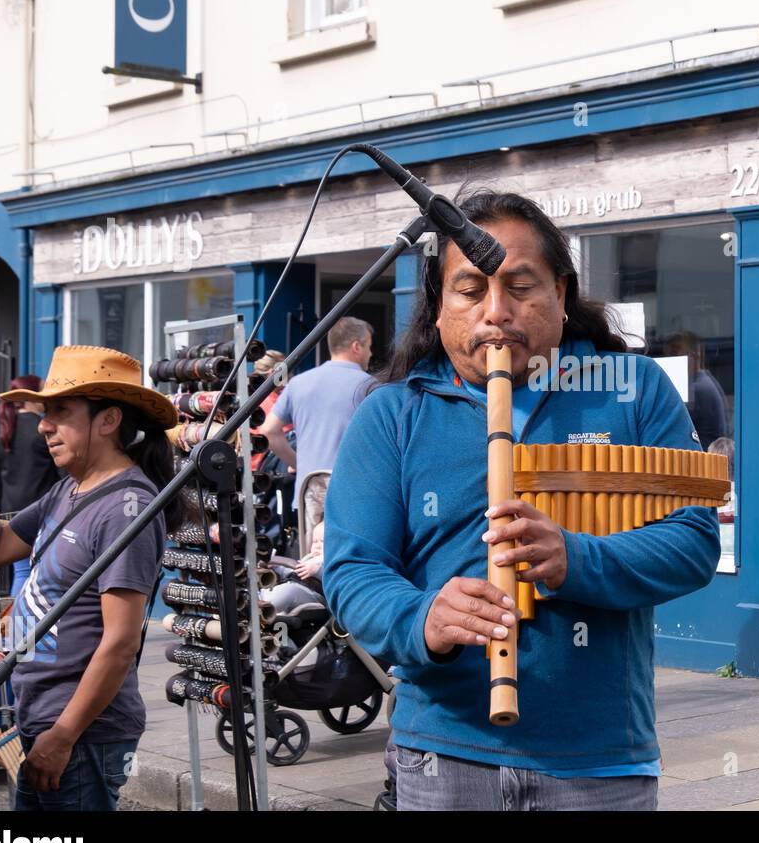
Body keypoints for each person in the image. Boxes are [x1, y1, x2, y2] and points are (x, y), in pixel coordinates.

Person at [322, 190, 720, 811]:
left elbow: (693, 541)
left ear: (561, 294)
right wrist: (423, 617)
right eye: (470, 290)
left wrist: (576, 558)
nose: (495, 312)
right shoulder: (391, 414)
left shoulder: (636, 391)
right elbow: (353, 572)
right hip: (442, 753)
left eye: (520, 287)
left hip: (600, 762)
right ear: (439, 304)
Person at [0, 345, 183, 811]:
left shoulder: (126, 508)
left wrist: (62, 736)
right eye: (43, 413)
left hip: (82, 735)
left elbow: (120, 644)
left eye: (60, 411)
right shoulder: (69, 488)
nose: (43, 426)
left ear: (108, 420)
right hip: (44, 719)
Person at [258, 318, 376, 520]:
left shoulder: (298, 383)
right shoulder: (370, 386)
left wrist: (299, 462)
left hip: (309, 491)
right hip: (354, 494)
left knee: (312, 551)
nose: (371, 354)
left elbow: (269, 430)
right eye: (369, 347)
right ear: (356, 347)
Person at [0, 375, 61, 596]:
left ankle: (15, 623)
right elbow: (61, 473)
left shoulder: (1, 433)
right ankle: (25, 622)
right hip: (42, 510)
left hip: (12, 511)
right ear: (31, 396)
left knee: (21, 571)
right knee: (44, 569)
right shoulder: (42, 432)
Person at [664, 331, 729, 448]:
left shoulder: (697, 389)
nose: (670, 360)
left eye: (675, 353)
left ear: (693, 356)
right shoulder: (703, 382)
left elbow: (671, 427)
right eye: (668, 354)